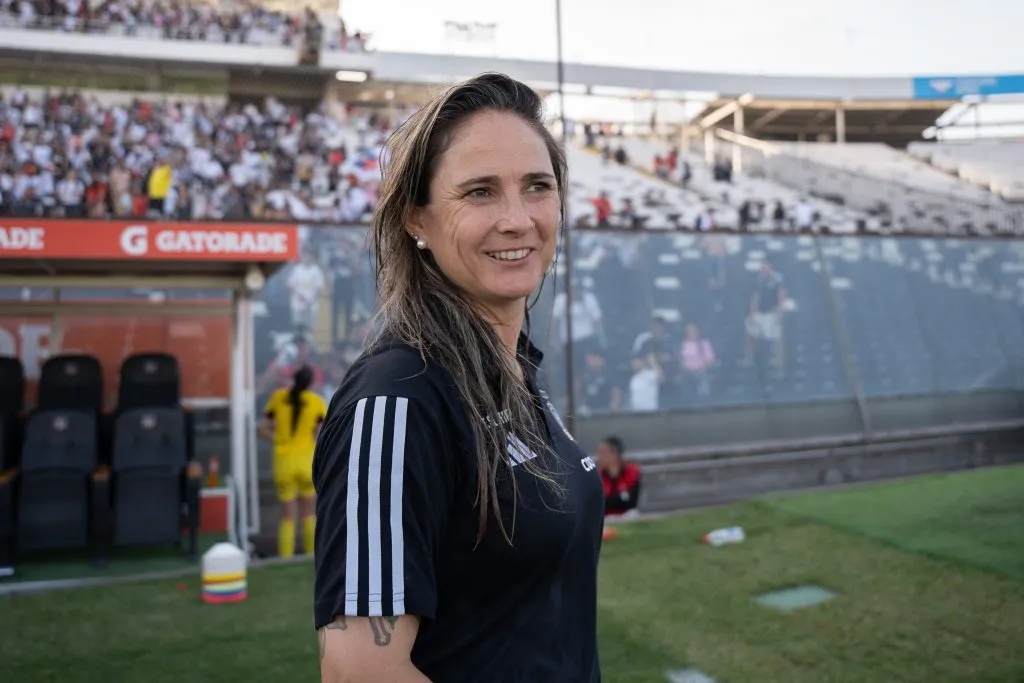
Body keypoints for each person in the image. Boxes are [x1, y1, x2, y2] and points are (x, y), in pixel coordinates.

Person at [313, 73, 605, 683]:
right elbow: (360, 671)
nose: (518, 218)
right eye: (479, 192)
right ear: (417, 218)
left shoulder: (511, 367)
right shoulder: (398, 398)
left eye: (537, 187)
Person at [259, 366, 327, 559]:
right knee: (308, 514)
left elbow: (263, 430)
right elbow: (322, 434)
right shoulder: (317, 402)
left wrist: (279, 440)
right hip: (306, 462)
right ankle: (311, 557)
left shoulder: (278, 398)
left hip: (283, 462)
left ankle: (285, 559)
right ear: (311, 383)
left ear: (293, 379)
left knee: (288, 516)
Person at [597, 436, 642, 517]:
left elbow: (632, 503)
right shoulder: (597, 477)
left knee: (633, 514)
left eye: (602, 453)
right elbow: (598, 504)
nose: (599, 457)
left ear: (614, 454)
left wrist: (610, 500)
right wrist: (620, 498)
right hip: (605, 518)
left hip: (625, 516)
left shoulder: (632, 473)